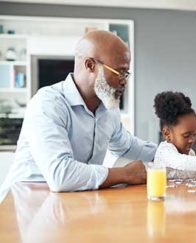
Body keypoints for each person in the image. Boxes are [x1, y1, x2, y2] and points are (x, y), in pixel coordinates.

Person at [2, 30, 157, 195]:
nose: (124, 81)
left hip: (69, 202)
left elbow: (127, 146)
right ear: (90, 65)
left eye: (126, 74)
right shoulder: (48, 104)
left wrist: (173, 151)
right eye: (119, 72)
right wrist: (125, 174)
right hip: (25, 204)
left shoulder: (108, 108)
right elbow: (61, 175)